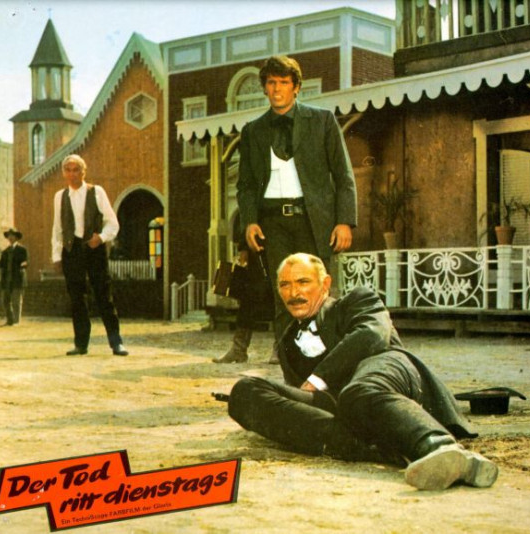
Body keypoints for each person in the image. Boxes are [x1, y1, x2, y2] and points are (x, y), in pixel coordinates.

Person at [224, 253, 499, 491]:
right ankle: (370, 447)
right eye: (285, 285)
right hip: (347, 408)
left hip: (389, 371)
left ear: (325, 284)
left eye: (303, 282)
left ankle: (440, 447)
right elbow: (303, 408)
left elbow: (372, 335)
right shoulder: (287, 343)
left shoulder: (356, 299)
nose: (293, 292)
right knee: (245, 391)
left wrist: (319, 378)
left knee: (357, 391)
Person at [236, 55, 357, 353]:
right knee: (283, 288)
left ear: (296, 87)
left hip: (313, 220)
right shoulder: (252, 131)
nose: (277, 89)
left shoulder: (323, 121)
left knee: (316, 286)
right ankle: (286, 353)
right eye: (271, 83)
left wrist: (344, 221)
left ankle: (324, 351)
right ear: (264, 88)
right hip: (272, 222)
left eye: (283, 83)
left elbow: (343, 175)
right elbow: (246, 185)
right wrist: (249, 221)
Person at [51, 154, 128, 356]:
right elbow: (57, 229)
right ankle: (81, 344)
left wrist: (101, 238)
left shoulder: (97, 192)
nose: (72, 174)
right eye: (68, 170)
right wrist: (57, 256)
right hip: (72, 250)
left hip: (94, 248)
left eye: (76, 170)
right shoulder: (59, 196)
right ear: (64, 173)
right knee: (77, 298)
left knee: (104, 295)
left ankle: (116, 343)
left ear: (83, 172)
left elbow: (113, 223)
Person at [213, 227, 274, 364]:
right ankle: (238, 350)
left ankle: (280, 350)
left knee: (280, 300)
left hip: (280, 249)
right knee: (248, 301)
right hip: (256, 251)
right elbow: (247, 218)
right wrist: (244, 249)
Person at [0, 228, 28, 326]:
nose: (10, 237)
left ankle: (16, 321)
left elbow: (25, 262)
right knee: (5, 301)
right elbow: (0, 264)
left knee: (16, 301)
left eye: (12, 235)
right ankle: (10, 320)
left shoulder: (22, 250)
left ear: (16, 237)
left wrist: (23, 267)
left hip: (17, 279)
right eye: (9, 236)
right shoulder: (5, 251)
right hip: (7, 279)